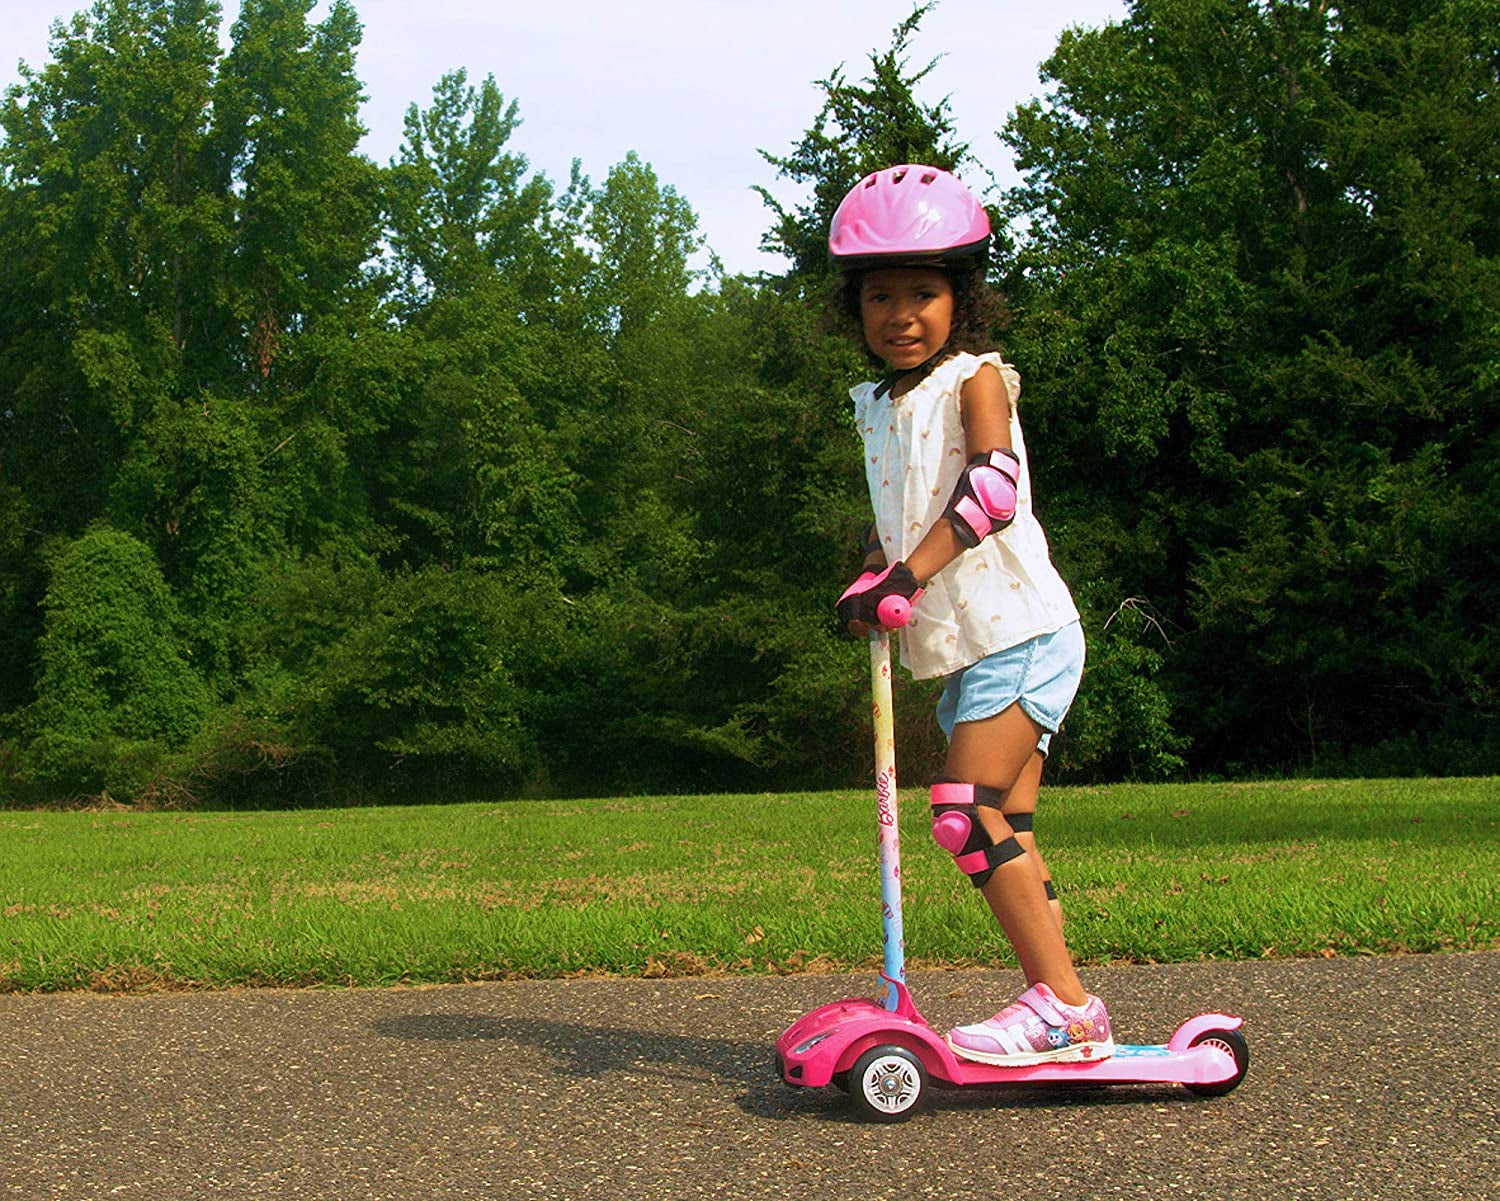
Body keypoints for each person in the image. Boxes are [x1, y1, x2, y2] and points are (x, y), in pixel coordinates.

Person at [831, 164, 1113, 1066]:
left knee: (962, 809)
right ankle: (1065, 1007)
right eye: (881, 294)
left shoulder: (976, 378)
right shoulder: (879, 403)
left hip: (1022, 630)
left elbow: (991, 490)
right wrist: (877, 575)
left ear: (963, 298)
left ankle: (1066, 1007)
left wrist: (907, 571)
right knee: (1008, 826)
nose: (902, 313)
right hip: (978, 646)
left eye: (925, 291)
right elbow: (909, 513)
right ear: (856, 307)